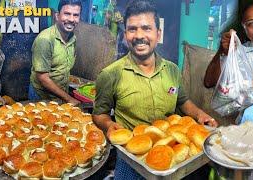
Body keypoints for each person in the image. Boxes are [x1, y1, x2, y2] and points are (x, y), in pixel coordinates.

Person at [92, 0, 218, 179]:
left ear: (158, 34)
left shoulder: (172, 70)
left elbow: (182, 101)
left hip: (168, 158)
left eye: (146, 28)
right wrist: (108, 124)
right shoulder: (110, 74)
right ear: (125, 34)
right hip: (131, 161)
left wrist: (200, 115)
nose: (139, 35)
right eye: (132, 29)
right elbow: (99, 114)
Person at [204, 2, 253, 89]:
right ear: (244, 29)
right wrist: (222, 52)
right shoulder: (239, 53)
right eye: (250, 24)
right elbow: (209, 82)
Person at [28, 0, 81, 105]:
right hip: (41, 97)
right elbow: (42, 78)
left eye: (76, 15)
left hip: (60, 95)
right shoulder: (45, 39)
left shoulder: (72, 38)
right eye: (67, 14)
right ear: (57, 16)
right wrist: (69, 99)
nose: (71, 19)